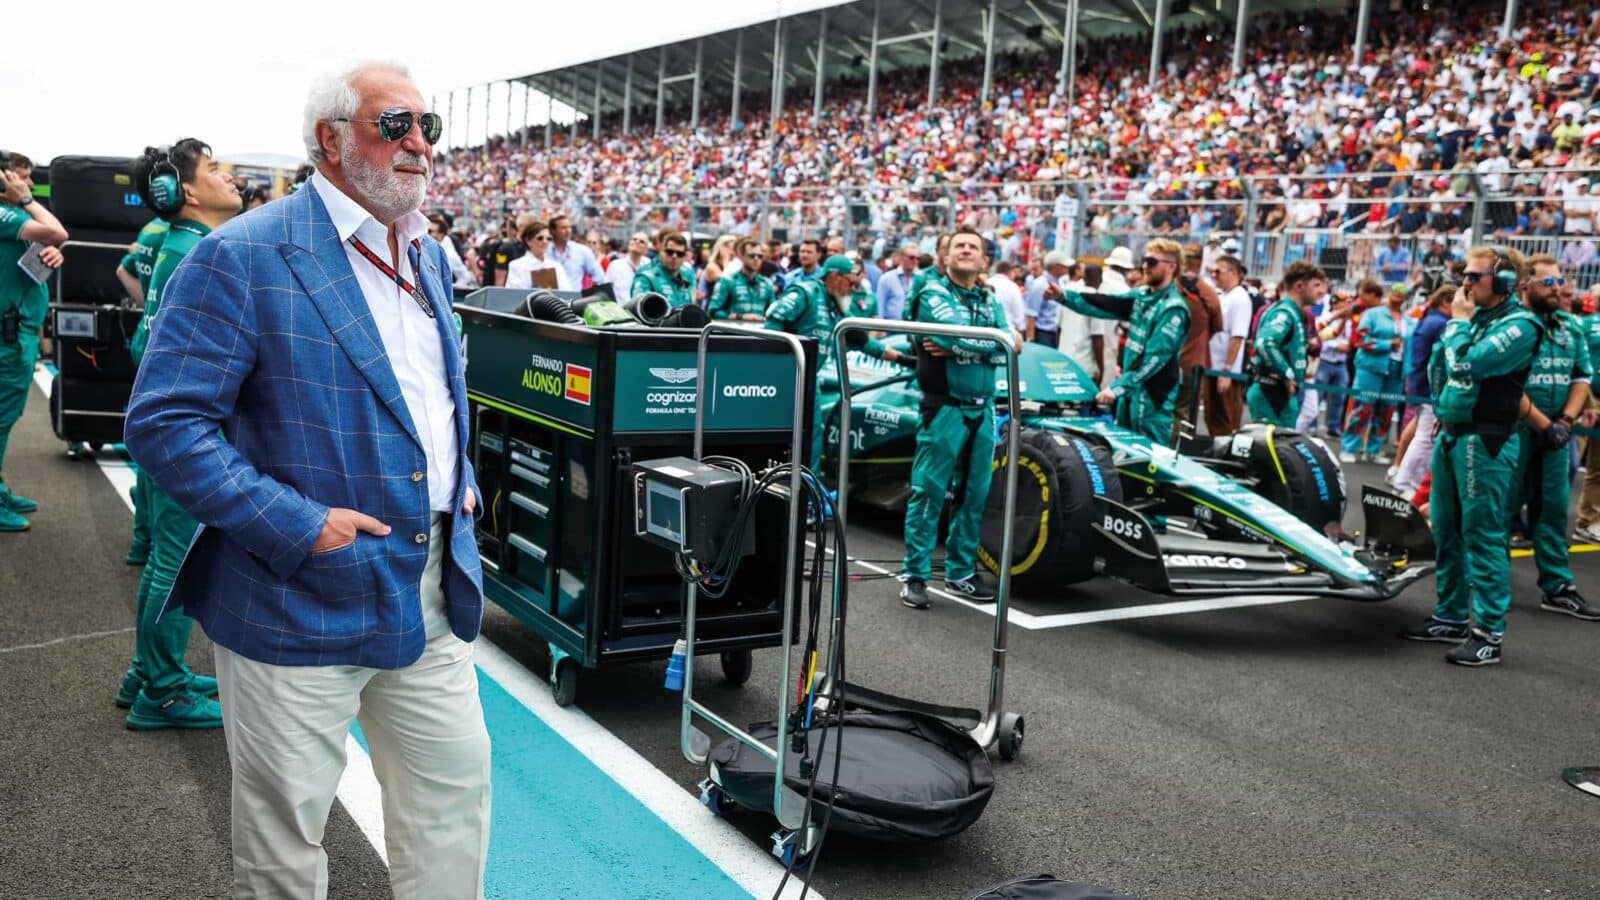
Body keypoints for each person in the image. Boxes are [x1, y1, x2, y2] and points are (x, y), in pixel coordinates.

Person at [123, 62, 490, 896]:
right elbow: (165, 423)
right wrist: (297, 523)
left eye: (429, 128)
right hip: (296, 594)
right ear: (330, 138)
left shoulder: (427, 251)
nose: (421, 145)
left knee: (453, 801)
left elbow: (426, 390)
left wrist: (455, 476)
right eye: (396, 124)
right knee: (285, 832)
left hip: (428, 586)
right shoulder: (240, 255)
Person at [115, 140, 241, 729]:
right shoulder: (203, 254)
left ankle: (149, 670)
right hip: (184, 435)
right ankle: (161, 691)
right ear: (186, 193)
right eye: (215, 169)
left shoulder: (180, 246)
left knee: (166, 558)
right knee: (175, 561)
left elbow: (146, 342)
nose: (230, 175)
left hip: (165, 429)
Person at [1401, 247, 1541, 667]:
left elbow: (1468, 365)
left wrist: (1457, 326)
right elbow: (1440, 372)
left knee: (1482, 534)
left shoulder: (1522, 325)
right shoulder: (1472, 322)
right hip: (1453, 434)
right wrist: (1444, 408)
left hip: (1487, 441)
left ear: (1501, 282)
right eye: (1463, 275)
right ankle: (1450, 614)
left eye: (1473, 277)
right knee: (1444, 529)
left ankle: (1487, 633)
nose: (1464, 283)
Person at [899, 228, 1018, 610]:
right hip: (944, 407)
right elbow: (974, 340)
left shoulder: (989, 297)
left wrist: (980, 344)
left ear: (985, 260)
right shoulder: (933, 292)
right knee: (928, 492)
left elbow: (1010, 345)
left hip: (983, 408)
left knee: (976, 494)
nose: (967, 250)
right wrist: (993, 342)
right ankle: (914, 576)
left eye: (974, 247)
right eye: (959, 246)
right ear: (945, 257)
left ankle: (960, 573)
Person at [1509, 255, 1600, 619]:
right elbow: (1508, 384)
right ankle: (1488, 580)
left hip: (1555, 435)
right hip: (1513, 433)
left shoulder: (1569, 326)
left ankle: (1557, 587)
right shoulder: (1512, 325)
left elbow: (1581, 376)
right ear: (1525, 285)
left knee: (1552, 510)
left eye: (1559, 281)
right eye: (1548, 282)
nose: (1558, 288)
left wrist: (1563, 420)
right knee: (1500, 509)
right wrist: (1542, 423)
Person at [766, 254, 905, 467]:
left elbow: (863, 342)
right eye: (851, 282)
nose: (853, 288)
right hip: (784, 378)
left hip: (810, 379)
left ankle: (809, 488)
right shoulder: (806, 293)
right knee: (778, 433)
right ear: (834, 277)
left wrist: (904, 359)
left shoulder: (837, 307)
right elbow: (772, 324)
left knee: (813, 434)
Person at [1053, 238, 1190, 444]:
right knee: (1124, 453)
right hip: (1130, 392)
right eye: (1144, 260)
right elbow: (1106, 305)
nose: (1144, 266)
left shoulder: (1173, 309)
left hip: (1153, 398)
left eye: (1151, 262)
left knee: (1150, 459)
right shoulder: (1142, 295)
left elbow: (1153, 360)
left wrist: (1117, 388)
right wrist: (1064, 296)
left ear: (1171, 267)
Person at [0, 152, 69, 532]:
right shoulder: (7, 213)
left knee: (5, 420)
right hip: (7, 334)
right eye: (20, 178)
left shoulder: (16, 218)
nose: (27, 185)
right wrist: (26, 201)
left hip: (17, 329)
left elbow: (50, 245)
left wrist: (52, 253)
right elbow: (58, 231)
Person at [1392, 287, 1453, 497]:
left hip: (1420, 384)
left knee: (1423, 435)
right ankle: (1405, 483)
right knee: (1425, 438)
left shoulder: (1429, 320)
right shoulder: (1441, 323)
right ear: (1446, 301)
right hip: (1429, 389)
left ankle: (1407, 481)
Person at [1247, 261, 1322, 428]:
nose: (1321, 291)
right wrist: (1287, 374)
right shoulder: (1284, 312)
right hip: (1272, 393)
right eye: (1316, 285)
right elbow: (1265, 343)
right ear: (1299, 285)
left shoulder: (1294, 312)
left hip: (1279, 393)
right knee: (1270, 449)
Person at [1342, 283, 1408, 463]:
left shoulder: (1408, 320)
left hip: (1397, 370)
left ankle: (1373, 450)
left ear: (1407, 298)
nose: (1398, 294)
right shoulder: (1372, 314)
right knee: (1361, 407)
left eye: (1403, 292)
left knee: (1386, 411)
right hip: (1370, 367)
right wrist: (1387, 344)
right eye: (1395, 290)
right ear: (1388, 294)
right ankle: (1349, 447)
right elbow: (1361, 339)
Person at [1204, 256, 1252, 436]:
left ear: (1234, 273)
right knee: (1213, 418)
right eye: (1213, 271)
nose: (1215, 275)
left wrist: (1227, 370)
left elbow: (1237, 337)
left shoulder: (1240, 298)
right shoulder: (1225, 296)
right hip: (1214, 367)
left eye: (1219, 271)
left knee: (1224, 421)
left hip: (1225, 370)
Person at [1299, 292, 1355, 437]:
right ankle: (1311, 427)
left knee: (1339, 396)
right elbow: (1320, 333)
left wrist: (1344, 320)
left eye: (1349, 302)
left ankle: (1333, 426)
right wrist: (1335, 346)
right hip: (1322, 362)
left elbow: (1334, 334)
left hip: (1340, 362)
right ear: (1335, 303)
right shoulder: (1322, 316)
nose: (1348, 306)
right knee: (1315, 397)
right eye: (1345, 302)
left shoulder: (1350, 321)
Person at [708, 238, 774, 322]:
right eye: (752, 256)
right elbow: (713, 311)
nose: (756, 259)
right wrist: (740, 317)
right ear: (741, 257)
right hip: (733, 333)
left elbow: (772, 313)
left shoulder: (767, 283)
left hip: (759, 332)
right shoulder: (727, 281)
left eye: (760, 256)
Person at [504, 218, 574, 291]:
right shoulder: (517, 265)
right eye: (540, 238)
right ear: (528, 240)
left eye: (548, 238)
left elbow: (567, 292)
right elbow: (513, 294)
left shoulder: (556, 266)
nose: (545, 242)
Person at [630, 229, 695, 307]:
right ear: (662, 252)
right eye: (670, 252)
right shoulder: (646, 276)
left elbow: (692, 302)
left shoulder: (688, 275)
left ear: (684, 256)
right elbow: (637, 308)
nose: (674, 256)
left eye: (679, 254)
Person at [547, 213, 603, 290]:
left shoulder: (582, 251)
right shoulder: (544, 251)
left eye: (569, 227)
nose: (568, 231)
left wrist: (589, 294)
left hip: (574, 299)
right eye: (563, 228)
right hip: (549, 299)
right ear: (553, 231)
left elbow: (599, 276)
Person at [1024, 249, 1066, 347]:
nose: (1067, 267)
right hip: (1043, 334)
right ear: (1055, 267)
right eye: (1063, 265)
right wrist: (1031, 340)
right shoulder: (1040, 284)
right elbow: (1031, 314)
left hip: (1055, 332)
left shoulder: (1061, 282)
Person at [877, 242, 918, 320]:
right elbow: (880, 306)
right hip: (891, 329)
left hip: (912, 328)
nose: (915, 261)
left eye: (917, 258)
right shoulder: (886, 279)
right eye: (911, 257)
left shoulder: (920, 280)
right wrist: (880, 329)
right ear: (902, 257)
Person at [988, 260, 1027, 340]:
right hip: (1006, 334)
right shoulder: (1013, 287)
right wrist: (1021, 331)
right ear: (1010, 272)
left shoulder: (987, 282)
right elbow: (1018, 314)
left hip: (986, 330)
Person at [606, 231, 649, 299]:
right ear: (629, 243)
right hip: (620, 308)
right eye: (634, 239)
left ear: (646, 250)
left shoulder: (648, 266)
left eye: (642, 241)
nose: (637, 242)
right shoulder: (615, 265)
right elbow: (607, 291)